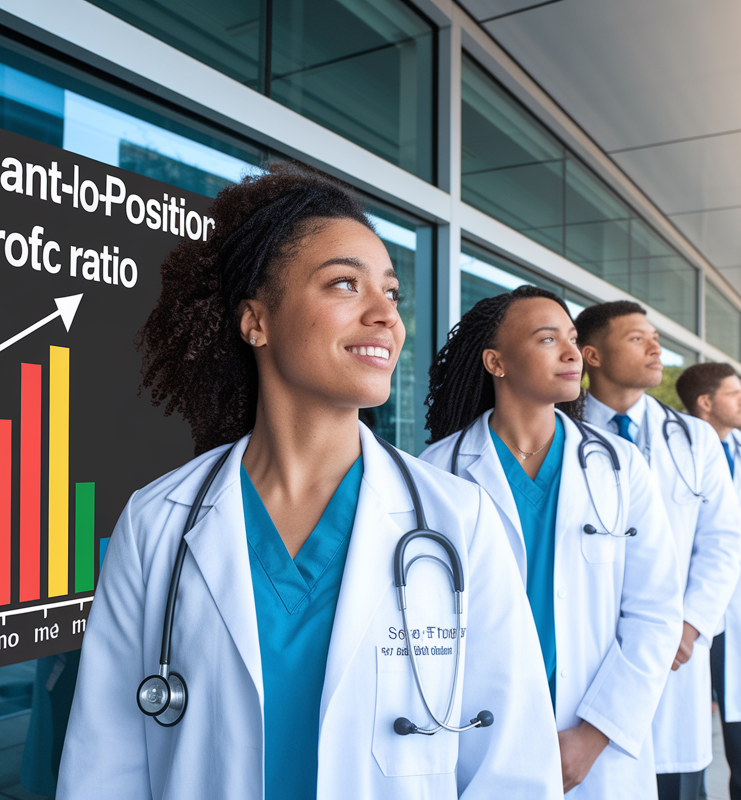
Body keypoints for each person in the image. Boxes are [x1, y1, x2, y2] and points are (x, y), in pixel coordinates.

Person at [56, 166, 562, 798]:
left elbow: (512, 768)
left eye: (392, 293)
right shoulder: (156, 520)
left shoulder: (460, 519)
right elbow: (104, 764)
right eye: (345, 284)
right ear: (255, 322)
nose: (385, 315)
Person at [419, 286, 682, 799]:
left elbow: (654, 612)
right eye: (547, 339)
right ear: (496, 362)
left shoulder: (621, 466)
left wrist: (594, 734)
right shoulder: (436, 472)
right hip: (482, 735)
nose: (572, 354)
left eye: (573, 338)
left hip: (594, 739)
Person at [572, 301, 741, 800]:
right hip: (592, 645)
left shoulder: (694, 437)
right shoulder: (555, 432)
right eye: (636, 338)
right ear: (592, 355)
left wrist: (686, 625)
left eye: (655, 338)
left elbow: (723, 540)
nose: (654, 348)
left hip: (676, 654)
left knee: (676, 780)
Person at [676, 365, 741, 800]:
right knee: (684, 726)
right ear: (706, 402)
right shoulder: (676, 446)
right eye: (736, 394)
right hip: (691, 604)